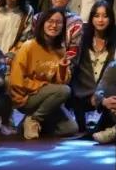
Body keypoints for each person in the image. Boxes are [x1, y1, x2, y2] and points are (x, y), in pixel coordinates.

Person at [9, 7, 79, 139]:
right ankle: (34, 119)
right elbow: (16, 80)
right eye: (50, 21)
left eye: (58, 22)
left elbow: (61, 83)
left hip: (49, 98)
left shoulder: (61, 50)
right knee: (64, 90)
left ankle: (28, 124)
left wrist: (62, 68)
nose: (54, 25)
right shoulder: (29, 46)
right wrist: (41, 86)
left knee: (70, 129)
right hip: (26, 97)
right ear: (42, 24)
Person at [70, 1, 116, 133]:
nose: (100, 20)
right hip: (82, 93)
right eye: (97, 16)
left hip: (105, 94)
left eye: (105, 16)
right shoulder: (82, 39)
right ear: (91, 18)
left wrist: (99, 95)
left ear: (111, 19)